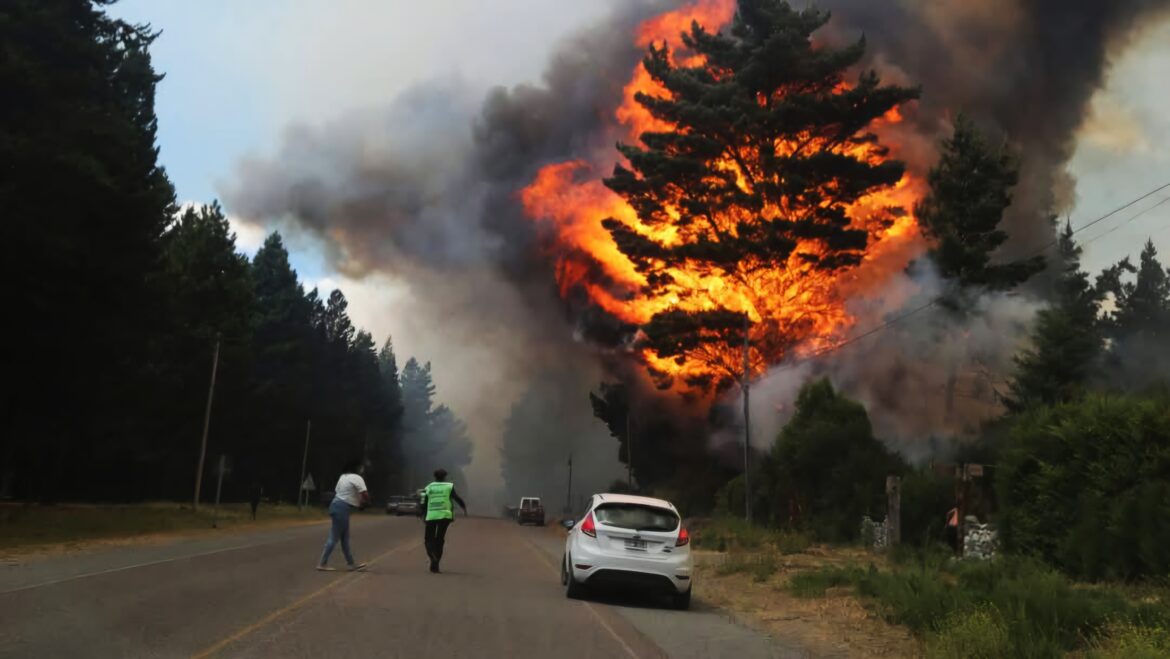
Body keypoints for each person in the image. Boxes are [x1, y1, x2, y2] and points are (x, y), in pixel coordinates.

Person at [317, 459, 369, 572]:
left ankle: (351, 564)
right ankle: (322, 563)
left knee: (344, 539)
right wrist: (364, 503)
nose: (361, 469)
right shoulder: (357, 478)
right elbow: (364, 494)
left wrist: (358, 502)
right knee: (334, 537)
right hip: (342, 508)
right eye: (360, 467)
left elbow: (339, 492)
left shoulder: (343, 477)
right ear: (355, 468)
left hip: (336, 505)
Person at [419, 468, 467, 573]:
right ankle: (436, 564)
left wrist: (422, 514)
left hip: (431, 515)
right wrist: (463, 507)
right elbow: (457, 498)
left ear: (434, 476)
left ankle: (432, 556)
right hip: (445, 516)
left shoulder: (428, 487)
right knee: (440, 539)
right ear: (445, 476)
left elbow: (423, 501)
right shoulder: (449, 486)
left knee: (428, 539)